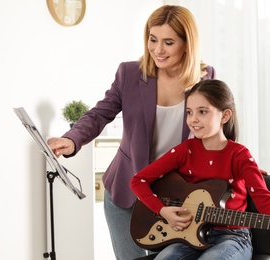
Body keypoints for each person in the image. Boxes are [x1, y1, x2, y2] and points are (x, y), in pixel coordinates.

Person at [47, 5, 215, 260]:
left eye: (168, 42)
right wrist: (72, 139)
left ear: (186, 44)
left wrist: (237, 165)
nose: (158, 50)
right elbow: (100, 113)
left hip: (176, 196)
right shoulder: (129, 73)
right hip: (127, 192)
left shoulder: (205, 77)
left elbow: (216, 132)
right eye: (152, 39)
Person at [130, 79, 270, 260]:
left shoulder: (239, 155)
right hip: (187, 235)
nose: (193, 119)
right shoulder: (185, 150)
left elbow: (265, 201)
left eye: (202, 112)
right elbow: (138, 180)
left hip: (232, 237)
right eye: (189, 112)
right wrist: (162, 210)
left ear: (225, 115)